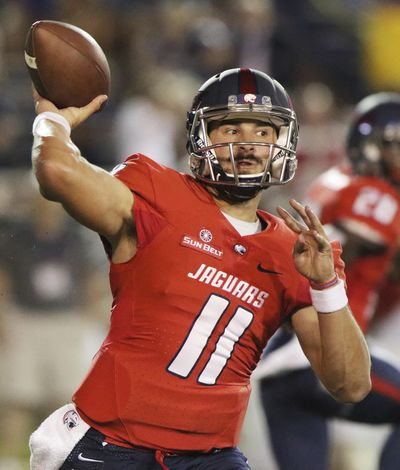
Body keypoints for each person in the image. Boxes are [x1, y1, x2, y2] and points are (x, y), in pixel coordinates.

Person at [28, 68, 371, 470]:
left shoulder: (298, 252)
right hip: (108, 446)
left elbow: (351, 385)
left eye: (263, 132)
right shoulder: (158, 192)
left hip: (212, 457)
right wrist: (53, 119)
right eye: (230, 129)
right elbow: (57, 173)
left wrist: (326, 285)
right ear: (200, 137)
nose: (247, 144)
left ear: (284, 142)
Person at [256, 92, 400, 470]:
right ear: (374, 145)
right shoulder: (375, 194)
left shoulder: (334, 181)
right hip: (321, 354)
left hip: (280, 367)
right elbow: (350, 248)